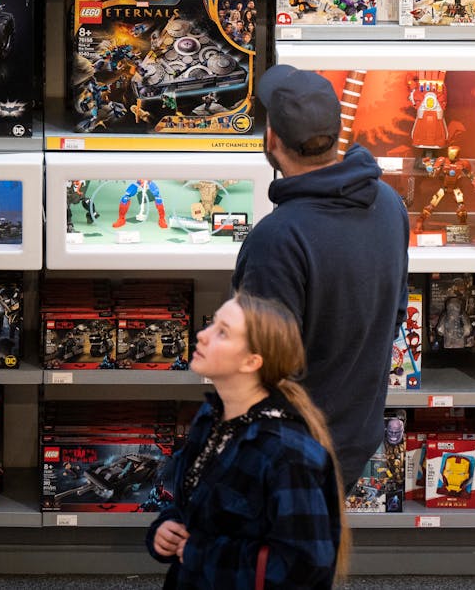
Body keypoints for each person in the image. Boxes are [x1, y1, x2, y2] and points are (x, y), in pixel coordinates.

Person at [232, 64, 411, 485]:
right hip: (353, 439)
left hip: (289, 454)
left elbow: (259, 368)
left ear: (271, 139)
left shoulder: (276, 238)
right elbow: (396, 314)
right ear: (336, 133)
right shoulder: (387, 202)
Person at [147, 293, 349, 589]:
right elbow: (195, 507)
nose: (202, 335)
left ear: (252, 361)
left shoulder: (288, 453)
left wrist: (200, 553)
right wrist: (165, 529)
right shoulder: (210, 417)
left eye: (222, 332)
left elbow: (305, 568)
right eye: (212, 325)